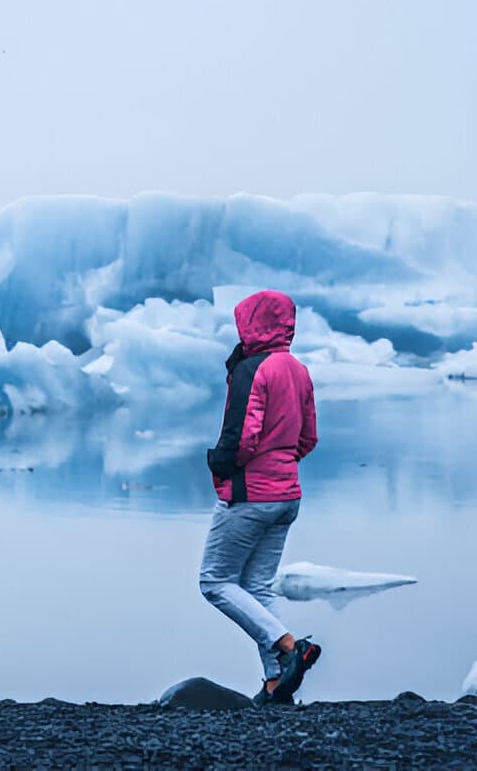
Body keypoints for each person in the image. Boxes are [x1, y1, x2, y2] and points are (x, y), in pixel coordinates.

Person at [200, 290, 321, 705]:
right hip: (287, 494)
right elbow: (308, 438)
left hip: (251, 494)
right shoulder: (298, 369)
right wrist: (281, 462)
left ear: (252, 323)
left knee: (214, 581)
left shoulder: (252, 369)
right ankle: (276, 682)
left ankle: (290, 648)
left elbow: (241, 438)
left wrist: (218, 464)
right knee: (257, 587)